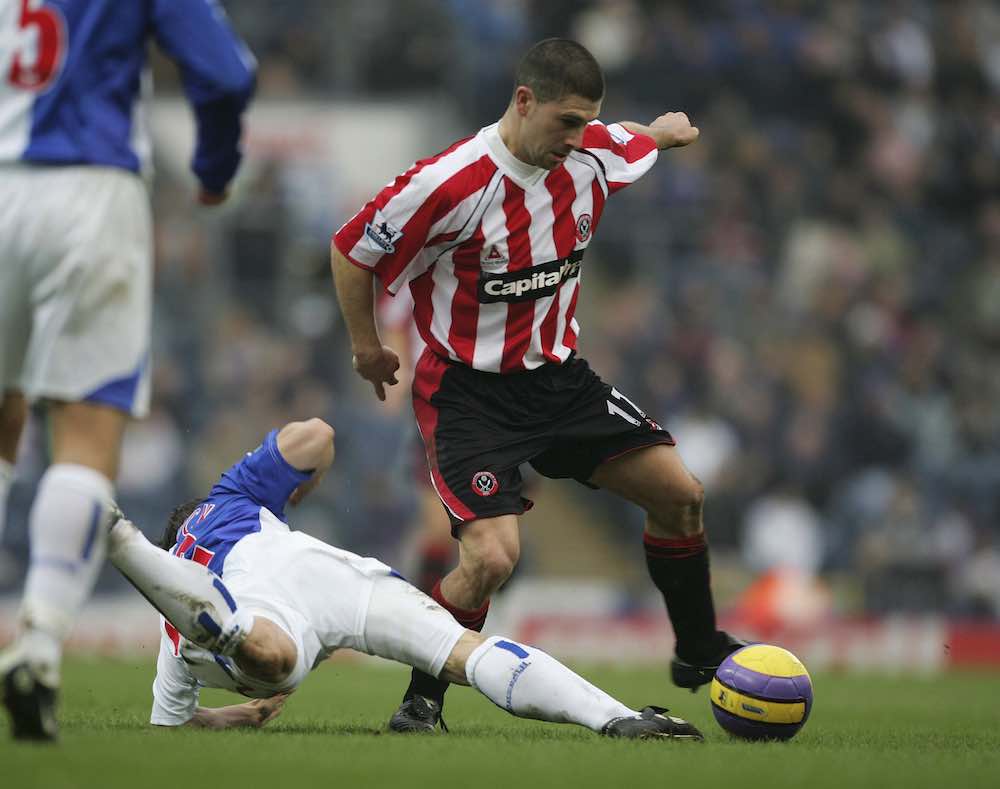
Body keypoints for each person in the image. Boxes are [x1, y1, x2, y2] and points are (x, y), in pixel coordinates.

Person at [331, 38, 744, 733]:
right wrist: (367, 346)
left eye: (588, 123)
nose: (578, 139)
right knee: (492, 557)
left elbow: (632, 139)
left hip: (560, 384)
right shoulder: (450, 182)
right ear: (523, 102)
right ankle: (421, 699)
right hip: (467, 392)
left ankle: (699, 649)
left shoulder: (593, 151)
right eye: (566, 122)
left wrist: (665, 134)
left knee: (683, 495)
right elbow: (351, 248)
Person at [108, 417, 702, 741]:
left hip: (248, 600)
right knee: (465, 652)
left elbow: (171, 727)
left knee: (271, 656)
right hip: (335, 575)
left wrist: (230, 716)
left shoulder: (173, 610)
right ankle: (617, 718)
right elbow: (316, 436)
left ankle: (129, 549)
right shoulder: (231, 495)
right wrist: (290, 488)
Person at [0, 0, 256, 741]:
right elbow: (224, 71)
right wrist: (214, 167)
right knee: (83, 435)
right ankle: (40, 644)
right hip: (88, 189)